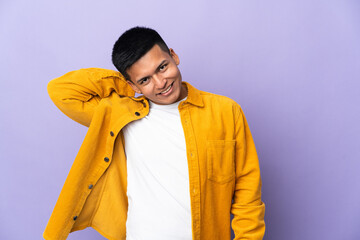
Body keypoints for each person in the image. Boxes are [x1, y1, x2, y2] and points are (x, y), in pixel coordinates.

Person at [44, 26, 265, 240]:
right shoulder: (122, 117)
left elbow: (247, 187)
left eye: (162, 67)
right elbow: (60, 91)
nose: (161, 83)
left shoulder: (225, 111)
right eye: (145, 79)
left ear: (174, 55)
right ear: (133, 85)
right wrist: (129, 86)